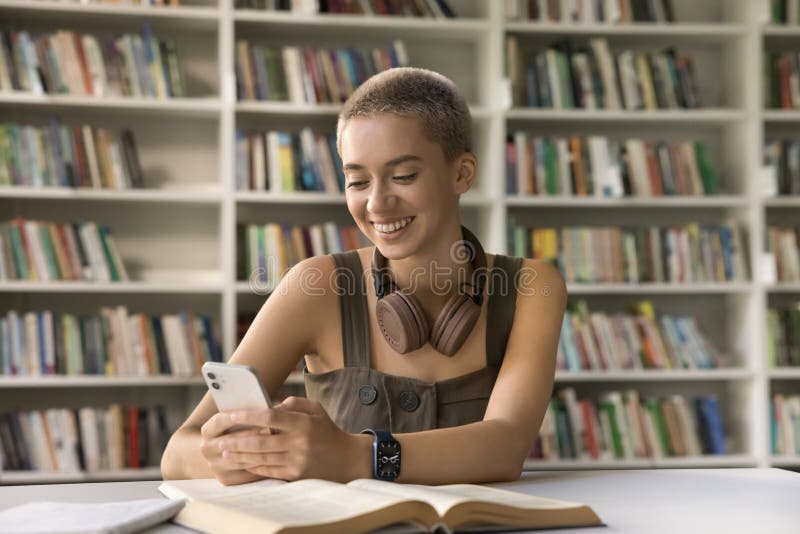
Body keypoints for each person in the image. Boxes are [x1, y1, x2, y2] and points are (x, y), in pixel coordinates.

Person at [160, 67, 566, 486]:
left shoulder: (533, 287)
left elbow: (505, 447)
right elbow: (179, 451)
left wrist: (352, 455)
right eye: (357, 181)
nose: (377, 203)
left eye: (404, 176)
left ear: (462, 173)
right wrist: (242, 454)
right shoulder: (314, 286)